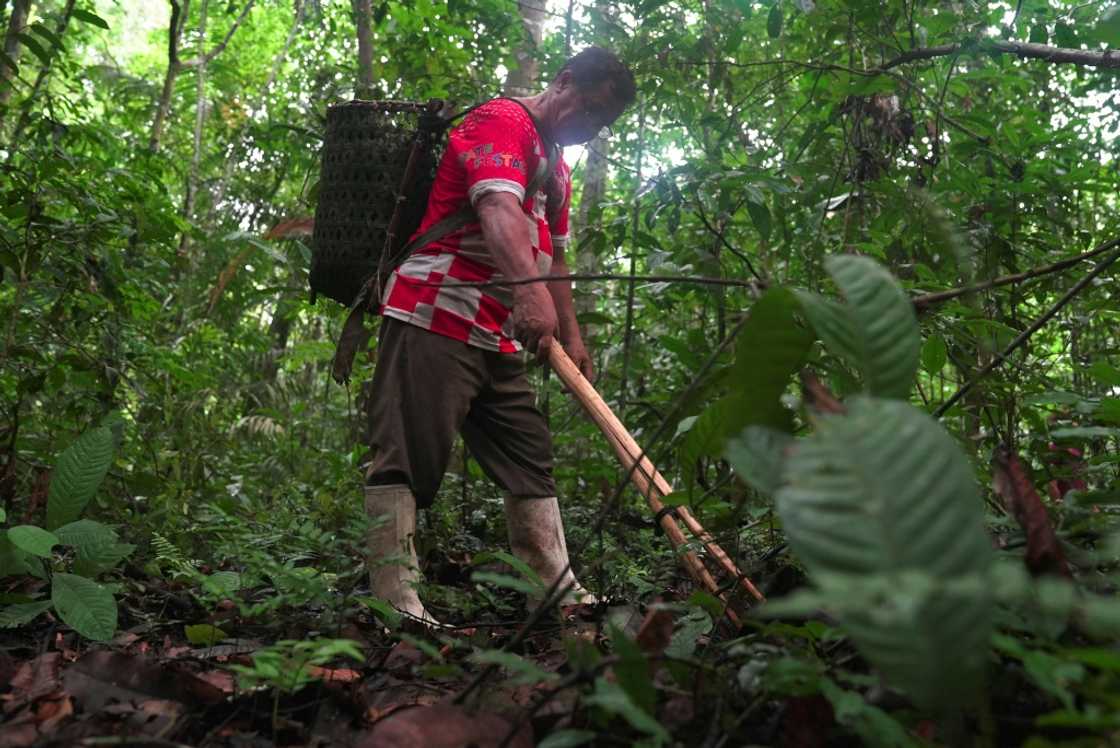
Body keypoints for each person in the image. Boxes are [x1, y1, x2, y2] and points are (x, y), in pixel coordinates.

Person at [362, 48, 636, 624]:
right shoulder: (501, 122)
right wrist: (530, 292)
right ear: (562, 83)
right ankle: (397, 601)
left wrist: (572, 331)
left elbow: (555, 256)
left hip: (496, 331)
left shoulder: (555, 163)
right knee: (407, 459)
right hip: (435, 312)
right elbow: (496, 208)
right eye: (587, 111)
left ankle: (557, 593)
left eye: (601, 122)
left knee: (528, 456)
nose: (589, 128)